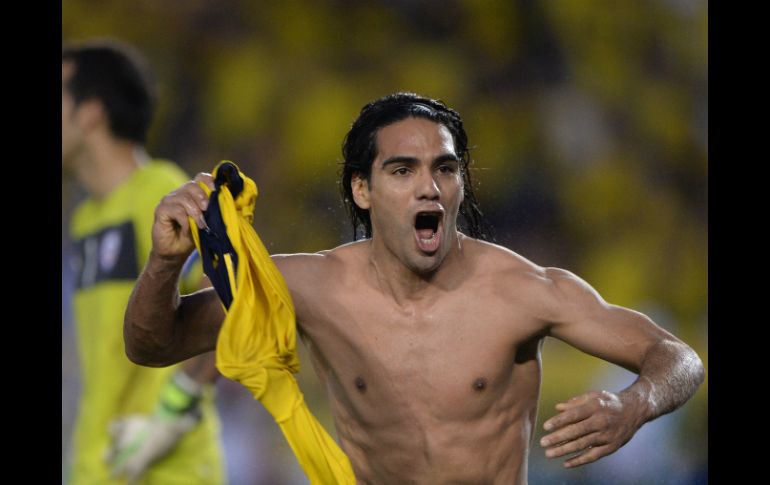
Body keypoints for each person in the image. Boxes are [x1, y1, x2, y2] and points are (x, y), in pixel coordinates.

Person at [123, 92, 705, 483]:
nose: (429, 187)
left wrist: (636, 404)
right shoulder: (309, 285)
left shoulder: (524, 291)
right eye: (403, 170)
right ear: (362, 190)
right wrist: (164, 262)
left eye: (444, 169)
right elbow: (153, 344)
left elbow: (678, 358)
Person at [62, 38, 225, 484]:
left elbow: (238, 297)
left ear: (90, 112)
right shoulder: (85, 219)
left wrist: (175, 412)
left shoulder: (161, 191)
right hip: (99, 466)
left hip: (168, 468)